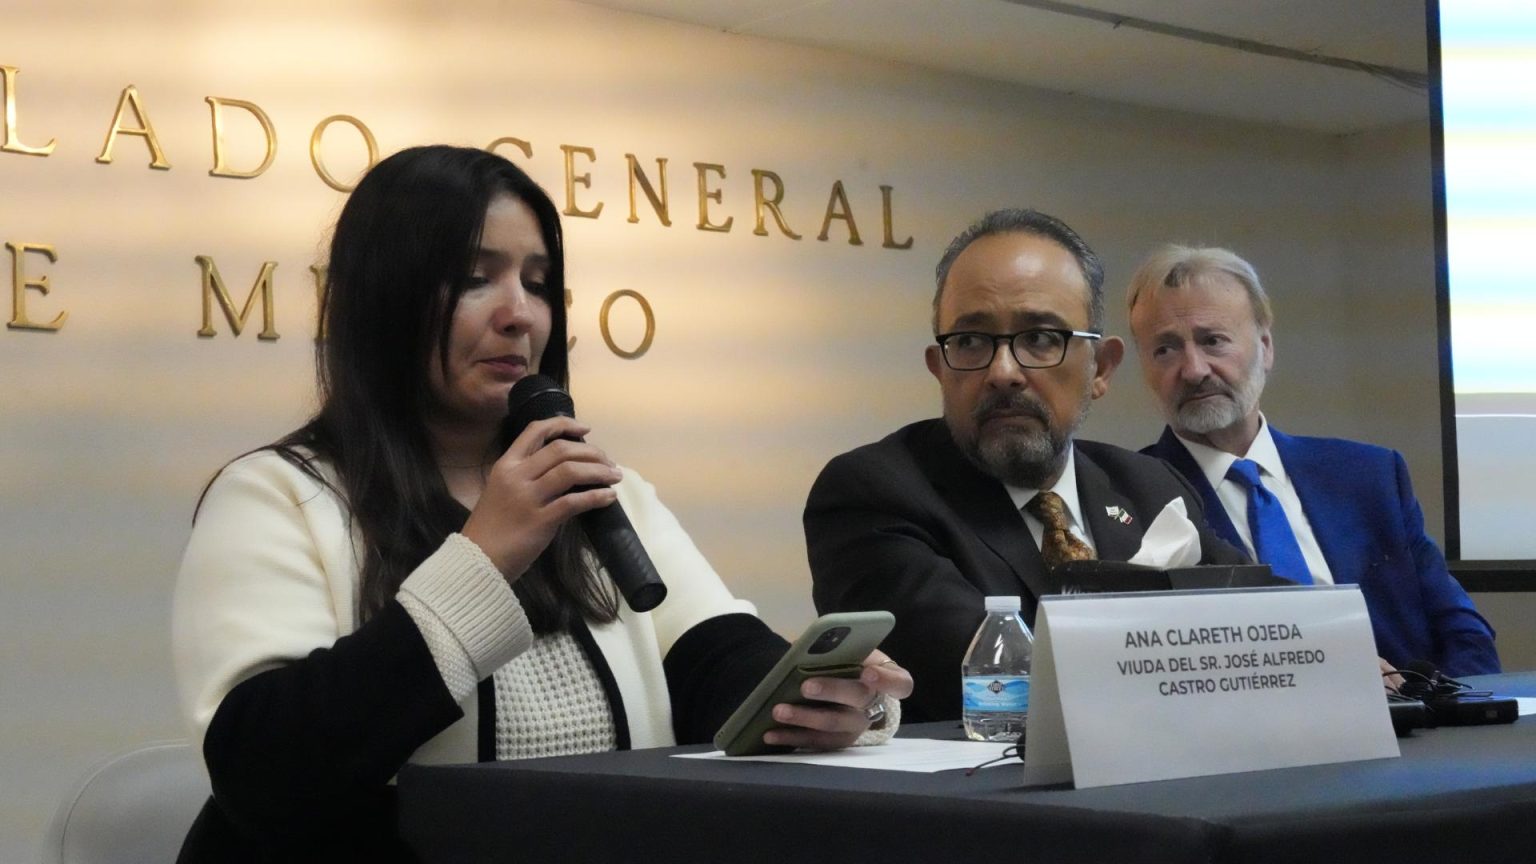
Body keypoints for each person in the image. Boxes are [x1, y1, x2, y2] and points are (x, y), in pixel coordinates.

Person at [171, 145, 911, 862]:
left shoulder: (601, 489)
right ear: (385, 297)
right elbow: (264, 771)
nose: (518, 314)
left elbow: (713, 659)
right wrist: (485, 557)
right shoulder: (276, 496)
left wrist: (812, 697)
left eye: (536, 281)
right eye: (473, 279)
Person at [803, 209, 1243, 722]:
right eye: (970, 342)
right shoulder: (875, 492)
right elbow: (994, 680)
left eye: (1040, 338)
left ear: (1101, 369)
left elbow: (1270, 623)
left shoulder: (1148, 486)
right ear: (939, 369)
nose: (1004, 372)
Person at [1126, 244, 1499, 677]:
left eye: (1213, 341)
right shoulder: (1130, 498)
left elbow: (1461, 629)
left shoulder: (1368, 477)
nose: (1193, 369)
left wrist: (1445, 710)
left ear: (1265, 348)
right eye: (1165, 350)